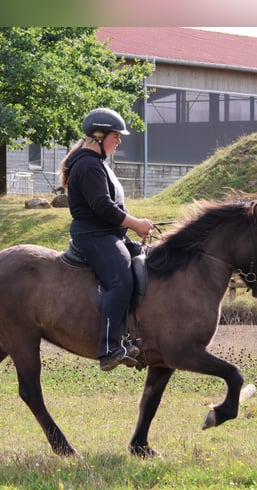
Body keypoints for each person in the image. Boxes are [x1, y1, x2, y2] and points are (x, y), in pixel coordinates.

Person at [58, 108, 154, 371]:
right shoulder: (89, 165)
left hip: (108, 233)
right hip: (93, 235)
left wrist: (136, 226)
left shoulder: (97, 162)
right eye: (115, 136)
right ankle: (110, 347)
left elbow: (111, 207)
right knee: (120, 280)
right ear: (98, 137)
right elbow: (103, 207)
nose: (119, 141)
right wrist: (135, 224)